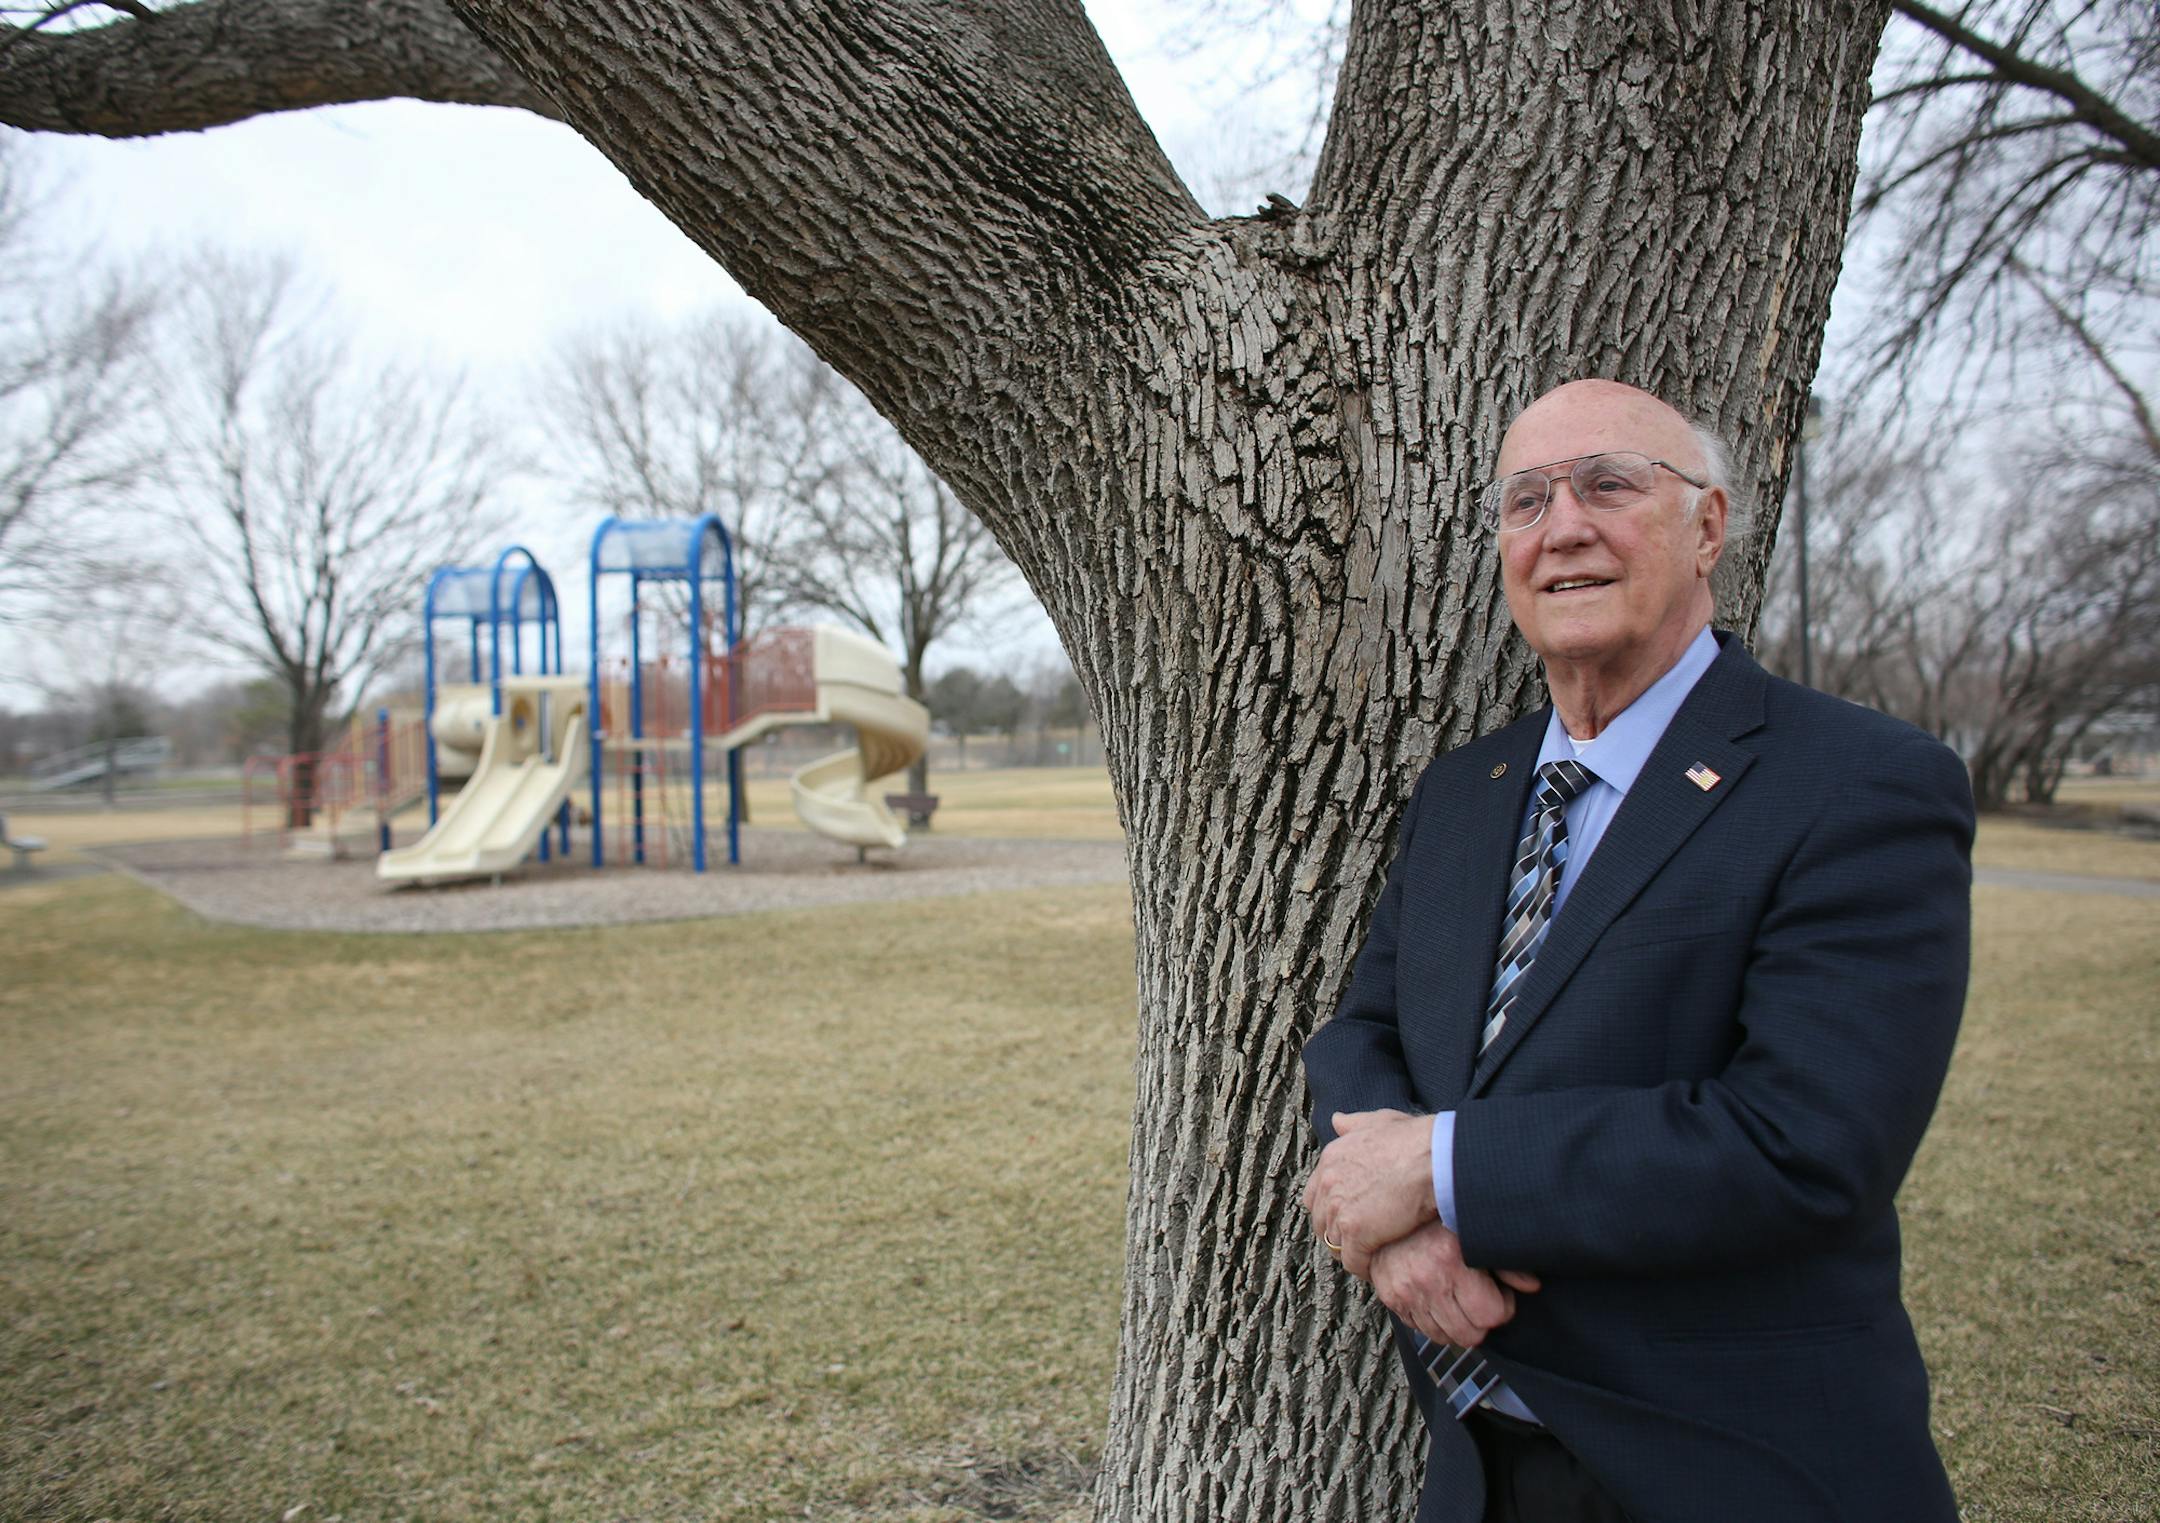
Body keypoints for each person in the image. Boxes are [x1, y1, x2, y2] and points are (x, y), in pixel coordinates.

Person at [1301, 379, 1972, 1523]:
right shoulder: (1468, 792)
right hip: (1474, 1469)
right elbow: (1364, 1029)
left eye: (1610, 484)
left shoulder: (1860, 784)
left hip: (1731, 1464)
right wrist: (1395, 1234)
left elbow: (1805, 1143)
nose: (1563, 526)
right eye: (1525, 501)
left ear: (1707, 527)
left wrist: (1438, 1168)